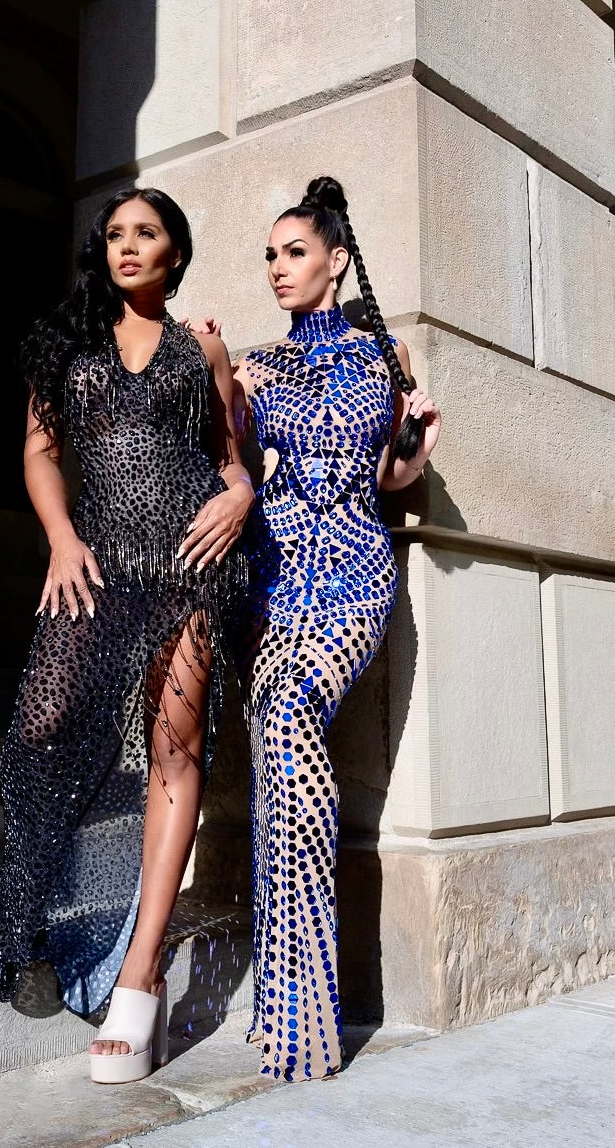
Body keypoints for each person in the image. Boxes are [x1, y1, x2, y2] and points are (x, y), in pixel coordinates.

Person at [0, 186, 253, 1085]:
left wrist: (238, 495)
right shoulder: (66, 342)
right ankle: (30, 916)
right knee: (41, 730)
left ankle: (140, 972)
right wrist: (62, 540)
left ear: (175, 251)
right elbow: (41, 452)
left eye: (147, 233)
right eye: (116, 233)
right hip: (96, 561)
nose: (128, 246)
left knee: (175, 744)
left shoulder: (202, 346)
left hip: (192, 561)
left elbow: (231, 456)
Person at [192, 175, 441, 1081]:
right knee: (277, 750)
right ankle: (292, 1008)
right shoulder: (254, 363)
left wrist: (417, 444)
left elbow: (392, 477)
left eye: (293, 252)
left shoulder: (385, 352)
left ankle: (304, 1005)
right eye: (268, 254)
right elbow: (226, 459)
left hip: (354, 579)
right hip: (277, 582)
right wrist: (217, 372)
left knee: (288, 722)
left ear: (335, 260)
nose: (276, 268)